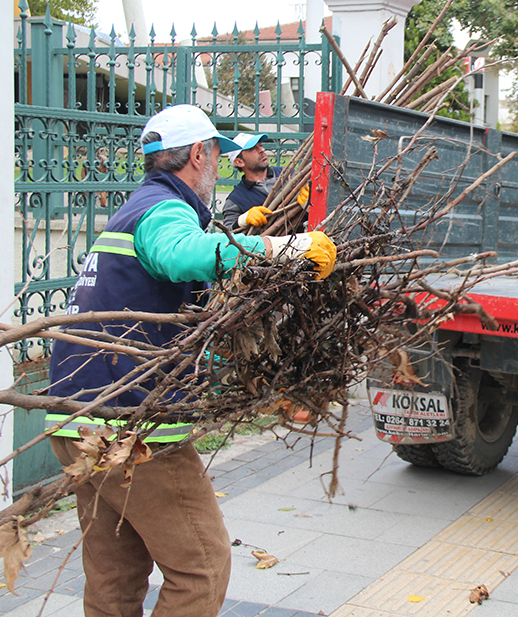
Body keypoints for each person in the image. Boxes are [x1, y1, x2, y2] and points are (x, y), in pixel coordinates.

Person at [45, 104, 336, 617]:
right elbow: (180, 254)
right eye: (218, 154)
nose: (221, 165)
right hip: (131, 424)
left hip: (75, 417)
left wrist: (238, 230)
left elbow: (176, 280)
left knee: (116, 572)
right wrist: (287, 249)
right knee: (201, 565)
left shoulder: (140, 205)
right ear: (199, 154)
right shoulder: (164, 210)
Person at [221, 132, 309, 230]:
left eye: (260, 146)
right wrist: (241, 221)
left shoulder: (290, 175)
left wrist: (311, 206)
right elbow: (227, 233)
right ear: (239, 162)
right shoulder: (236, 200)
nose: (262, 150)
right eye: (253, 149)